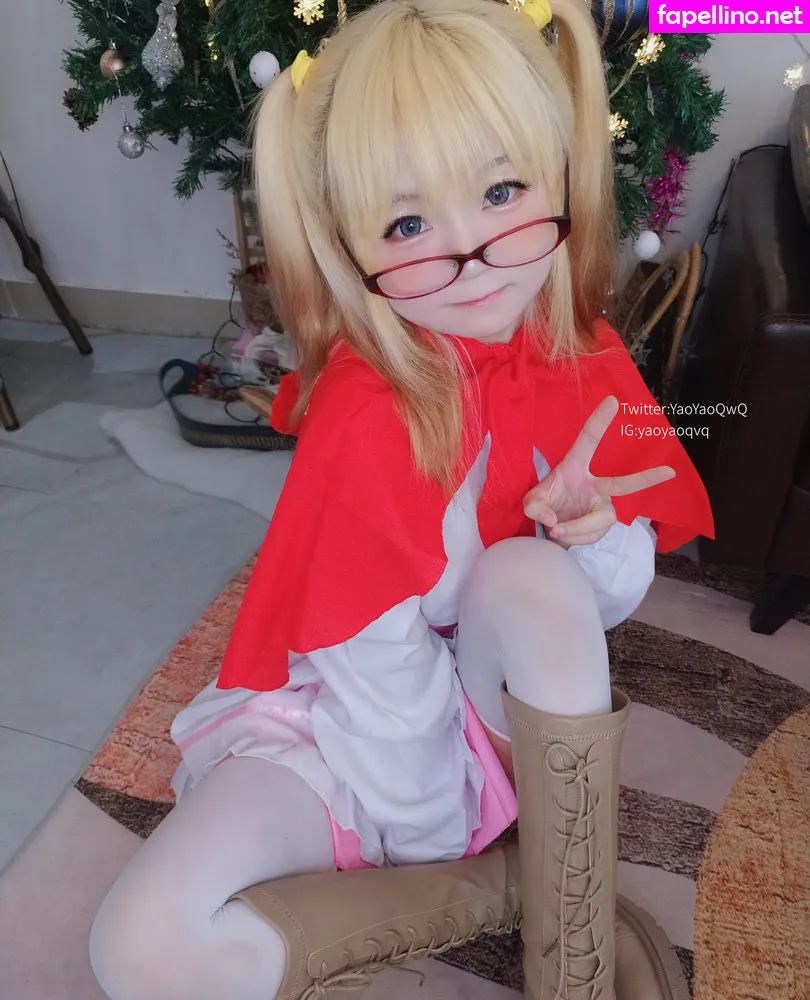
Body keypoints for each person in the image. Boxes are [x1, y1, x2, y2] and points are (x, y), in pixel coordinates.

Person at [88, 1, 714, 998]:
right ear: (352, 244)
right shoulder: (364, 409)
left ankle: (574, 957)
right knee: (135, 947)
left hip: (502, 699)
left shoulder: (584, 356)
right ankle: (506, 887)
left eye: (502, 191)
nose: (472, 257)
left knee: (533, 574)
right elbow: (368, 654)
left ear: (559, 175)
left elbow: (598, 608)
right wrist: (427, 833)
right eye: (410, 223)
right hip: (357, 725)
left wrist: (591, 537)